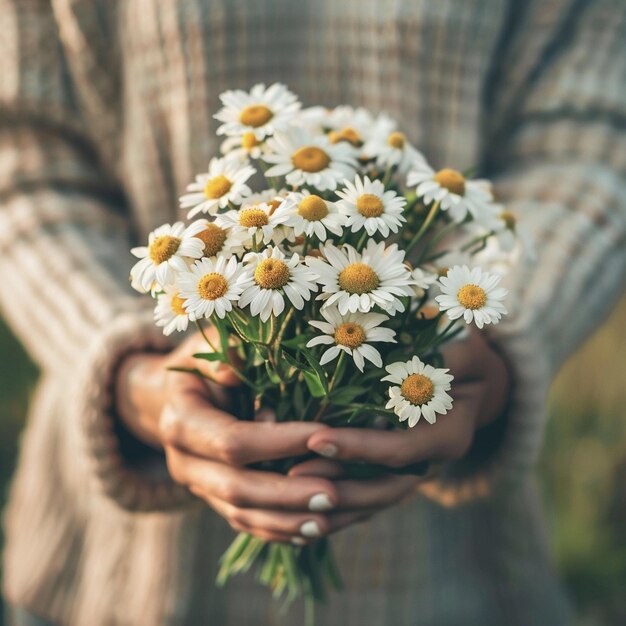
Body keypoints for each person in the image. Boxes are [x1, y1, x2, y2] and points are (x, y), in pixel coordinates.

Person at [1, 1, 624, 625]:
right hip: (107, 584)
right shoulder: (237, 249)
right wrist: (133, 373)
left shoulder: (357, 249)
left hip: (456, 578)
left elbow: (594, 146)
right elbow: (24, 159)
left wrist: (492, 339)